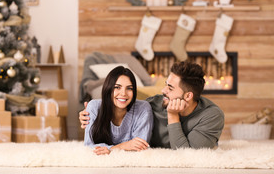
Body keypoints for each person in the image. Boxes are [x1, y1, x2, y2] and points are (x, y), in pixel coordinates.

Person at [80, 61, 224, 150]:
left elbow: (187, 155)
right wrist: (93, 114)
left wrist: (172, 115)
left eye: (171, 88)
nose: (163, 91)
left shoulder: (211, 116)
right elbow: (126, 105)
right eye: (165, 85)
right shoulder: (151, 104)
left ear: (188, 96)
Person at [83, 65, 153, 155]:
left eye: (129, 88)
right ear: (108, 88)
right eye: (117, 87)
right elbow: (88, 145)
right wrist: (123, 146)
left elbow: (140, 147)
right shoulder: (94, 107)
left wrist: (110, 150)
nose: (123, 93)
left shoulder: (143, 108)